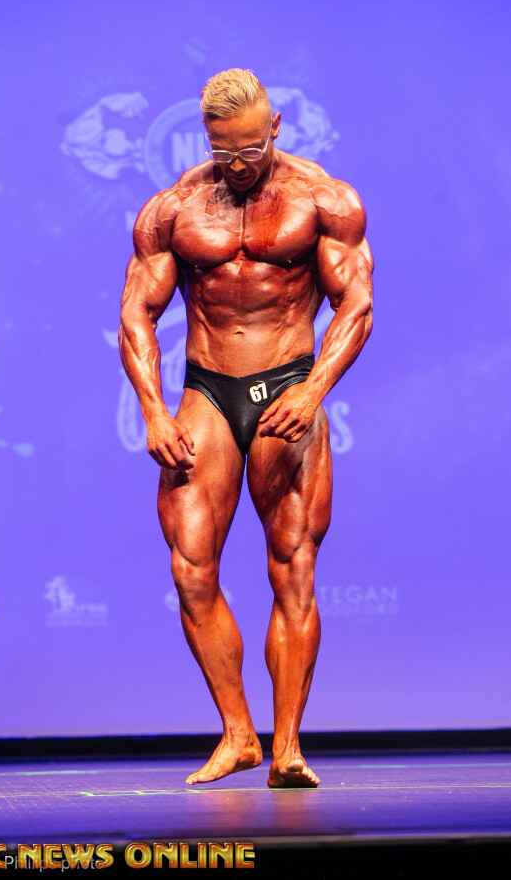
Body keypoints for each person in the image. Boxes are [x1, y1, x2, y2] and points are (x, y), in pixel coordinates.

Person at [119, 69, 373, 788]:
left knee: (292, 566)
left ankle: (288, 746)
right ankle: (238, 734)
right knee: (190, 567)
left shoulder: (324, 199)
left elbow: (356, 305)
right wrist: (153, 410)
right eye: (223, 150)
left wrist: (314, 390)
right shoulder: (173, 209)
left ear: (276, 128)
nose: (237, 164)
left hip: (287, 386)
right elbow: (137, 312)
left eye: (250, 149)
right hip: (207, 389)